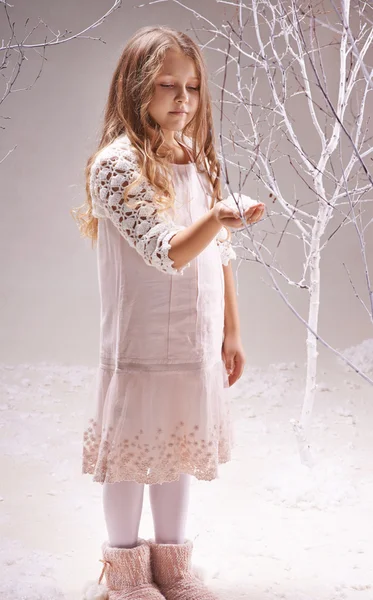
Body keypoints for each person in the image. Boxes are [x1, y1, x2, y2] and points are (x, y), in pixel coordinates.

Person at [72, 25, 265, 600]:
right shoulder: (115, 165)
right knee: (134, 455)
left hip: (194, 336)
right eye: (168, 85)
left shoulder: (194, 156)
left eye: (193, 87)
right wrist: (220, 217)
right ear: (137, 88)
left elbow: (220, 254)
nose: (184, 99)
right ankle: (126, 572)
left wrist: (231, 329)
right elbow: (167, 250)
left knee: (178, 445)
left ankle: (173, 568)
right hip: (141, 335)